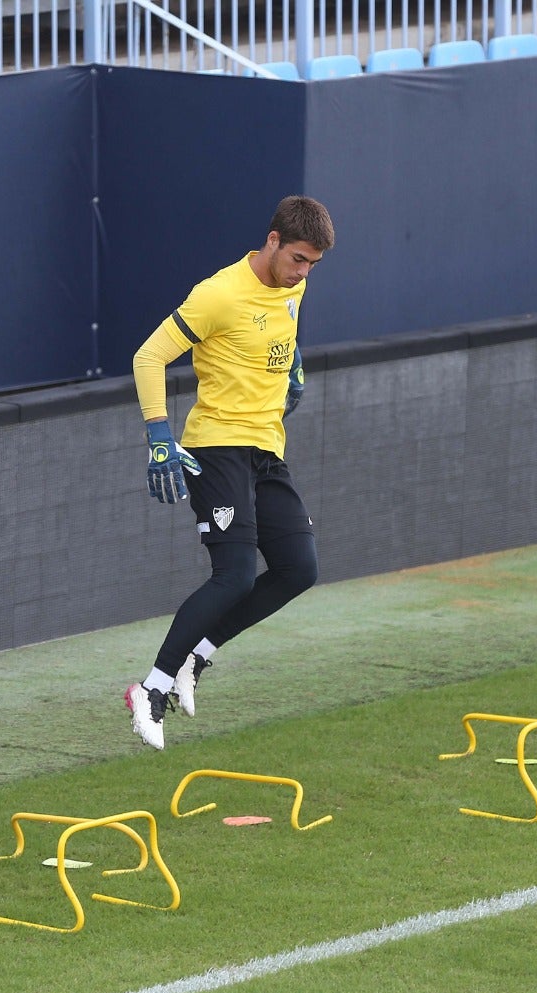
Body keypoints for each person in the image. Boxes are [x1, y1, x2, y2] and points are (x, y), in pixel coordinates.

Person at [123, 196, 335, 750]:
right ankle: (151, 688)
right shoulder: (218, 294)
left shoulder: (295, 286)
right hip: (215, 447)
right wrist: (158, 435)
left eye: (312, 264)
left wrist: (294, 364)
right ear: (272, 241)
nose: (303, 272)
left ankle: (198, 655)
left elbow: (282, 331)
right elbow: (148, 357)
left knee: (299, 567)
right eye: (297, 259)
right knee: (235, 574)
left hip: (266, 448)